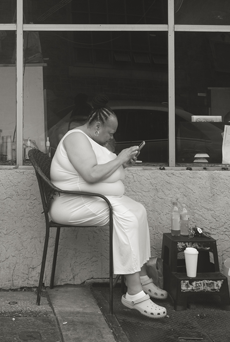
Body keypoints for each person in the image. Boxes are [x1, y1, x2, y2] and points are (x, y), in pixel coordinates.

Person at [49, 106, 167, 319]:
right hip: (71, 205)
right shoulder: (75, 138)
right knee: (127, 217)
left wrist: (123, 164)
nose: (112, 136)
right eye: (110, 132)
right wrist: (120, 158)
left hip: (87, 200)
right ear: (96, 127)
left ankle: (141, 277)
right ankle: (134, 293)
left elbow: (101, 170)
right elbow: (91, 174)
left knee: (137, 210)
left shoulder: (89, 141)